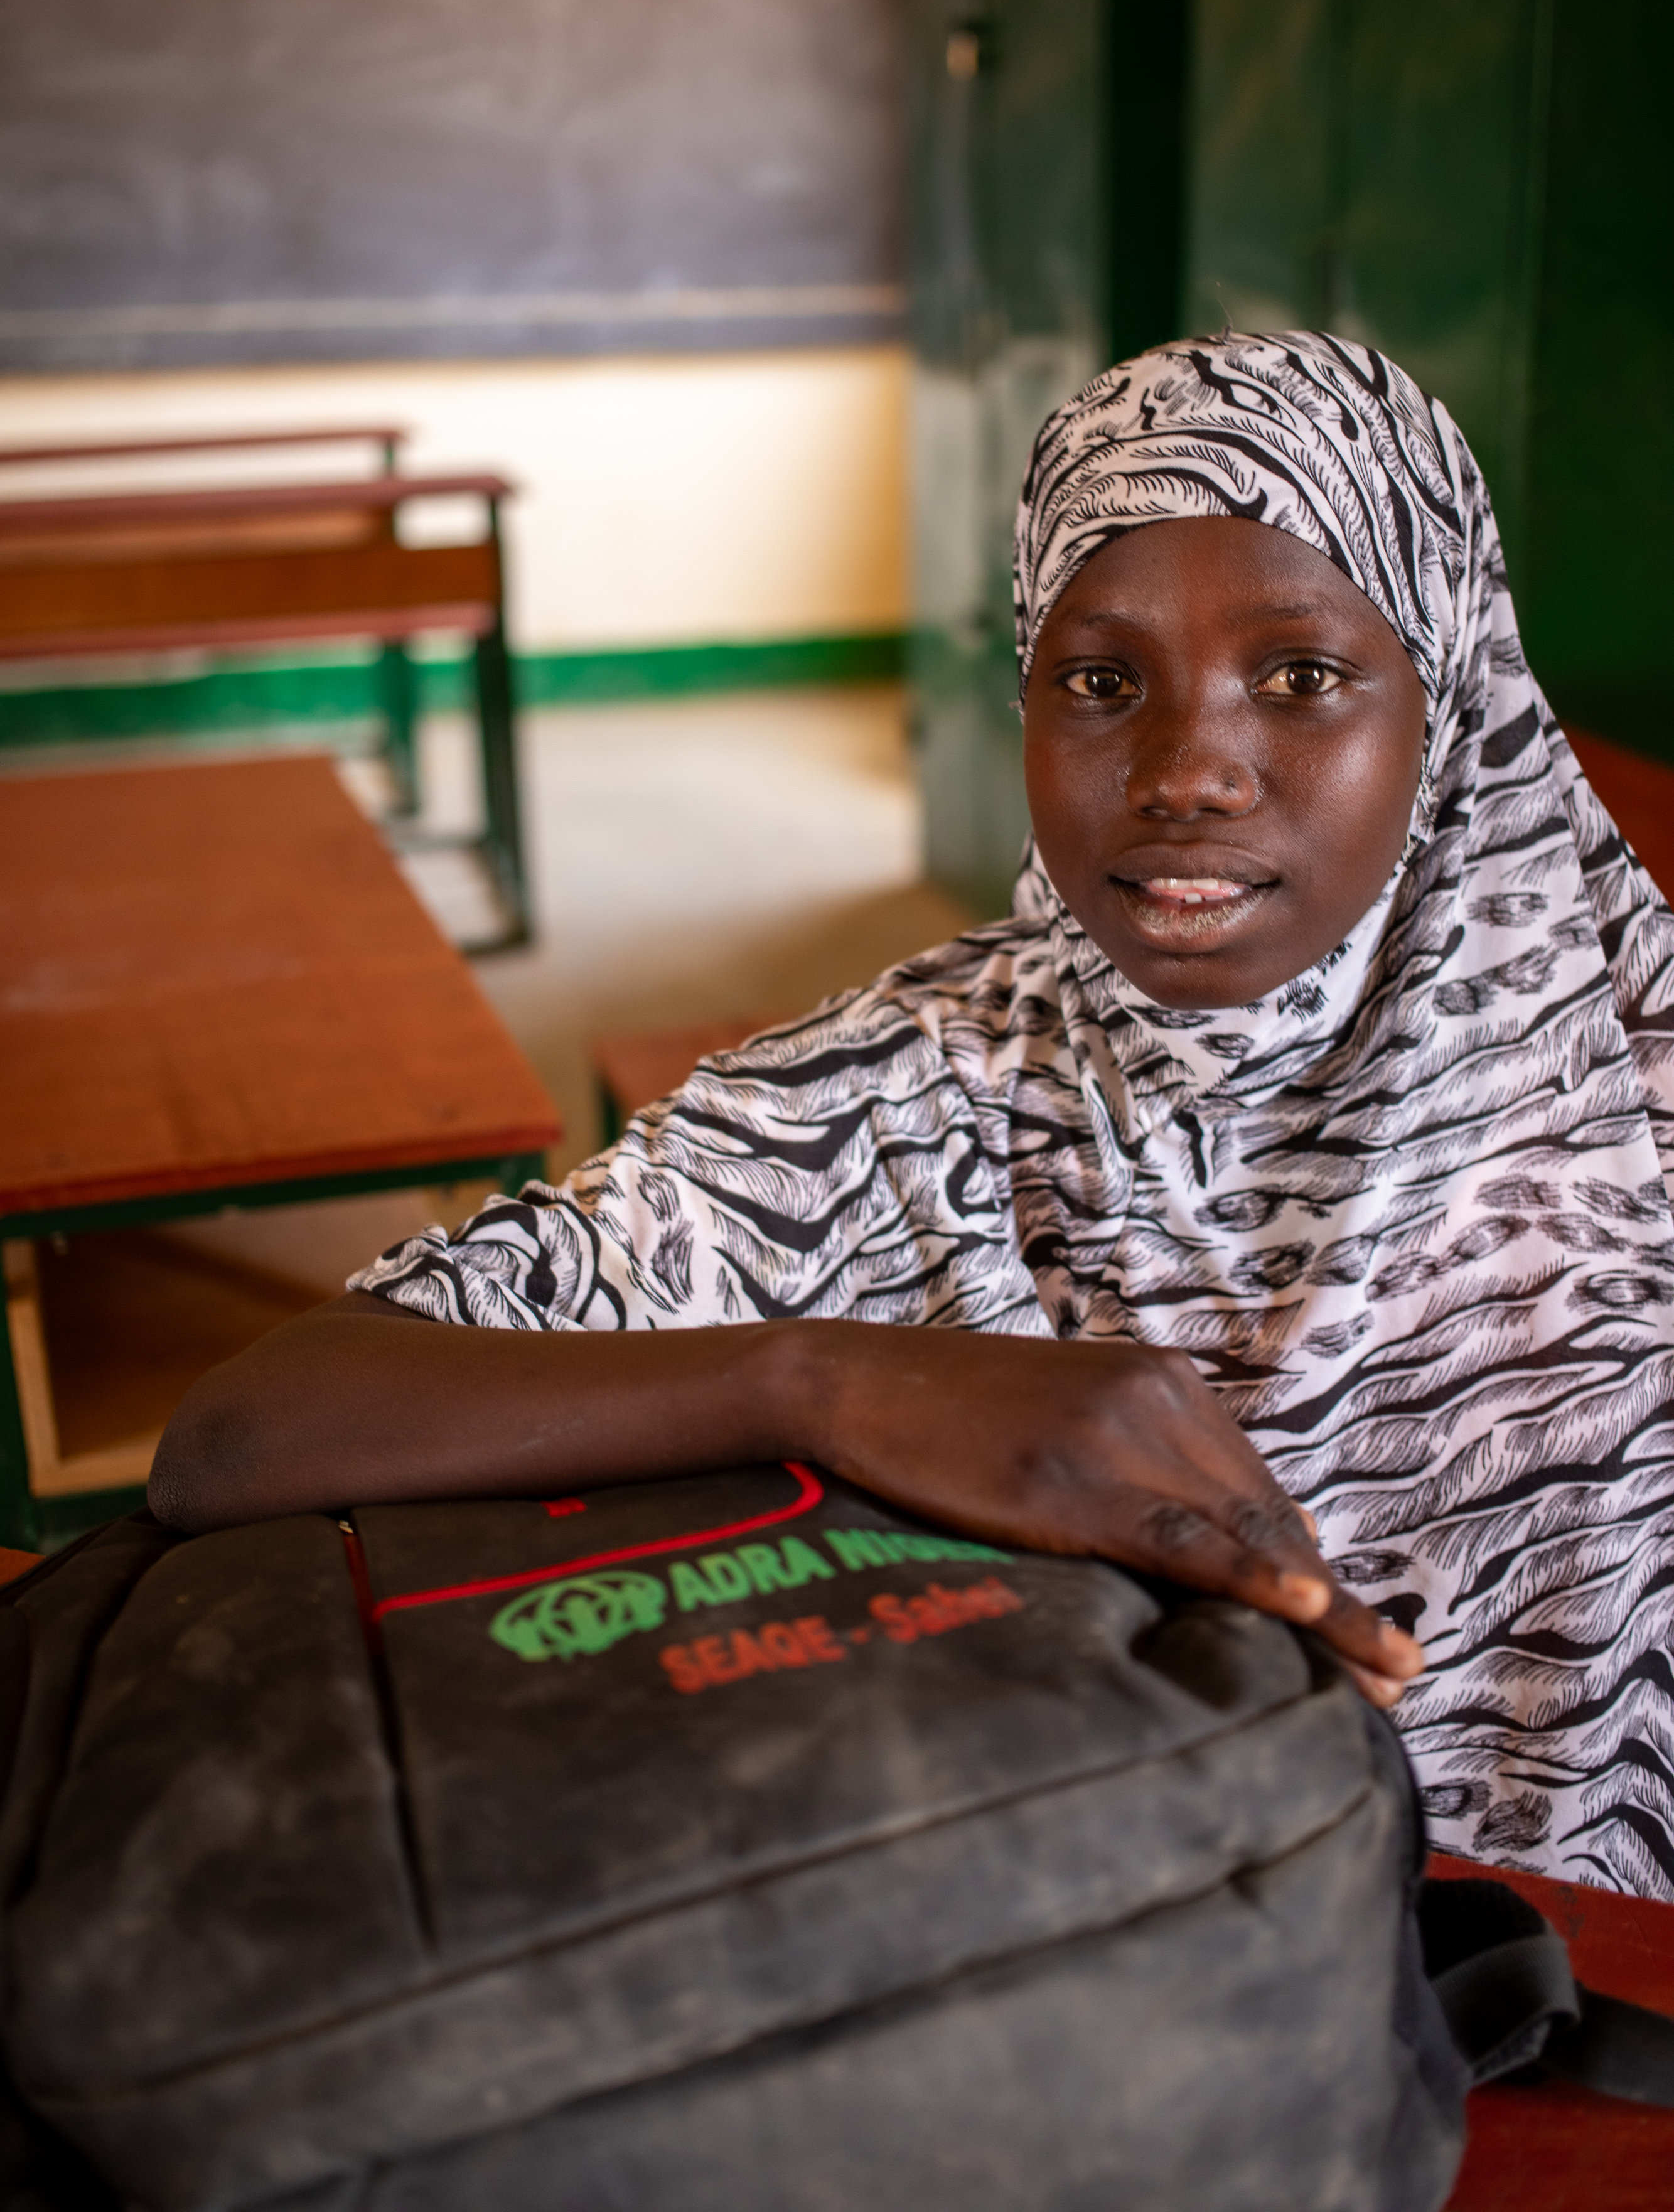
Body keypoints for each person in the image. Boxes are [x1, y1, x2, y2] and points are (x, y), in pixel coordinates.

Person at [150, 330, 1674, 1898]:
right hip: (1089, 2010)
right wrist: (832, 1378)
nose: (1185, 770)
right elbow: (241, 1433)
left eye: (1296, 677)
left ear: (1448, 700)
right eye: (1097, 681)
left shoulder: (1635, 1088)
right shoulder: (887, 1102)